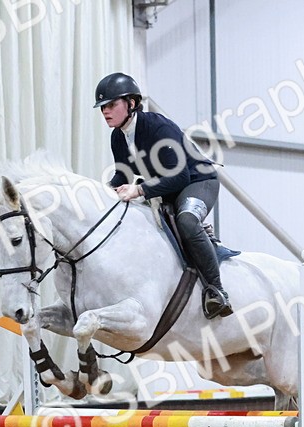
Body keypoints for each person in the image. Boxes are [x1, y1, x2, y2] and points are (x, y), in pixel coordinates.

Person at [94, 72, 233, 319]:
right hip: (168, 190)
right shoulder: (118, 136)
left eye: (111, 105)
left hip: (198, 180)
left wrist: (139, 190)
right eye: (103, 107)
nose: (105, 111)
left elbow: (179, 176)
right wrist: (100, 192)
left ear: (131, 103)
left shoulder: (158, 126)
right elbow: (123, 175)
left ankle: (217, 291)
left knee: (186, 221)